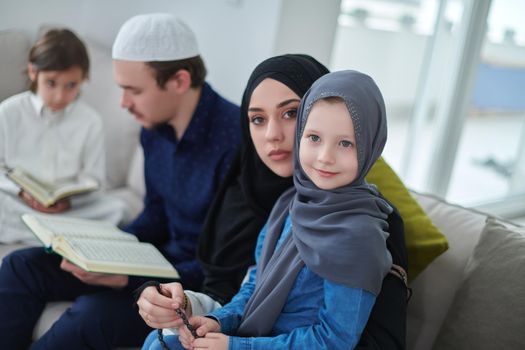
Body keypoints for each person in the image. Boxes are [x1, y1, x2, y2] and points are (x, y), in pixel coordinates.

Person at [0, 13, 240, 350]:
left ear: (179, 81)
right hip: (152, 262)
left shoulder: (236, 143)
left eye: (133, 90)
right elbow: (154, 216)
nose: (123, 103)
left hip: (185, 286)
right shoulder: (153, 130)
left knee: (89, 315)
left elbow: (221, 273)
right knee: (21, 264)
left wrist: (127, 277)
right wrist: (103, 253)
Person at [138, 66, 409, 349]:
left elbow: (335, 340)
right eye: (314, 138)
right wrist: (218, 321)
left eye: (345, 143)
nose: (325, 157)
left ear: (371, 144)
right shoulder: (289, 205)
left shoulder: (361, 232)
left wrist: (236, 346)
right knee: (159, 342)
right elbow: (253, 287)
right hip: (256, 335)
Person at [137, 54, 330, 349]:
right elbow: (231, 292)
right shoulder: (252, 193)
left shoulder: (357, 214)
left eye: (290, 113)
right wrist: (184, 304)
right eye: (257, 119)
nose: (272, 135)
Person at [0, 28, 126, 244]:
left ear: (83, 79)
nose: (60, 96)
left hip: (68, 208)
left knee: (117, 208)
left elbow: (94, 179)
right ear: (33, 73)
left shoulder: (90, 121)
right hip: (21, 202)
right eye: (51, 83)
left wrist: (69, 201)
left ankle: (44, 232)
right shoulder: (8, 112)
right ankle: (56, 235)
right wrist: (22, 193)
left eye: (71, 86)